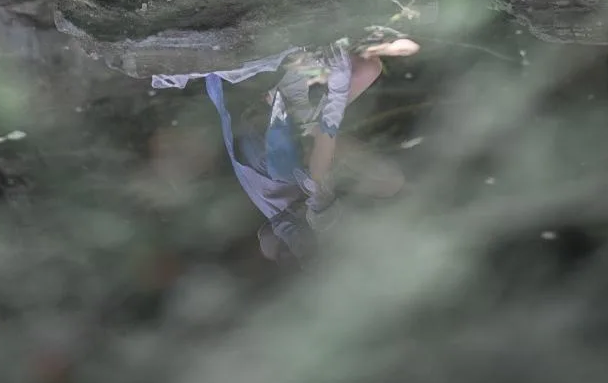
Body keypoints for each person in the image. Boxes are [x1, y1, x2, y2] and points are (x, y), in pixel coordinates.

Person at [152, 36, 419, 262]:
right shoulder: (299, 200)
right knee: (367, 70)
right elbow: (268, 238)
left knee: (347, 169)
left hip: (267, 102)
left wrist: (335, 92)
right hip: (281, 119)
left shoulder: (304, 188)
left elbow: (321, 148)